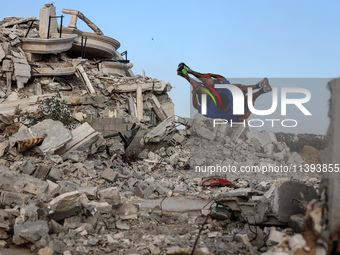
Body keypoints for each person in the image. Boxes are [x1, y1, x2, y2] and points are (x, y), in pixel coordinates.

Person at [177, 62, 272, 122]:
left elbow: (196, 106)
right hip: (219, 93)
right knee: (209, 81)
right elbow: (245, 117)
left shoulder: (214, 112)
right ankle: (261, 89)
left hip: (208, 100)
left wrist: (194, 93)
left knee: (202, 88)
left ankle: (186, 74)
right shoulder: (229, 95)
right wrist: (211, 75)